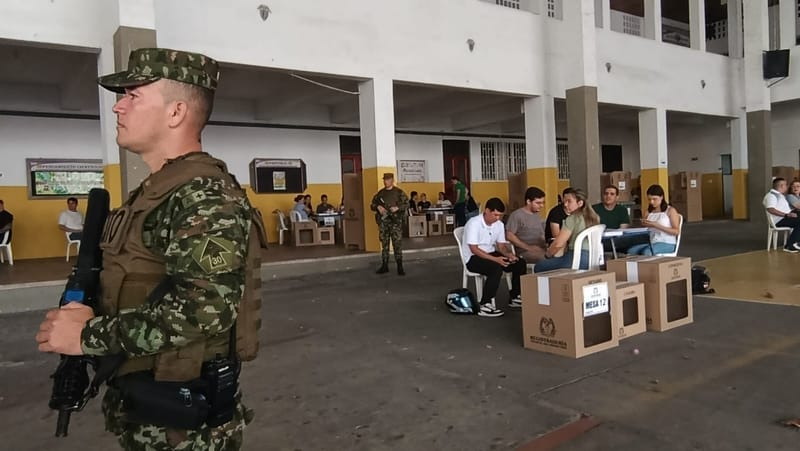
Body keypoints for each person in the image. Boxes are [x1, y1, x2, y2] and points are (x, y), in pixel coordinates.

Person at [35, 48, 265, 450]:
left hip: (186, 429)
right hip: (150, 411)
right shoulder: (156, 191)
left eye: (133, 95)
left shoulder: (203, 196)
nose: (118, 108)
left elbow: (205, 311)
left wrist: (88, 336)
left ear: (176, 113)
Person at [461, 197, 527, 317]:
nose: (497, 218)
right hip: (473, 258)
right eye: (495, 214)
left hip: (490, 253)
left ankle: (515, 297)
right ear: (486, 210)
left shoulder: (499, 225)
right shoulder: (474, 223)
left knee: (519, 263)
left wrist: (509, 255)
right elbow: (474, 249)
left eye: (500, 215)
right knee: (495, 268)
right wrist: (496, 260)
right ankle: (485, 304)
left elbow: (501, 247)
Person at [534, 188, 598, 272]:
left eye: (569, 201)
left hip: (575, 259)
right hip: (593, 259)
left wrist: (547, 255)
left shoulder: (572, 219)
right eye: (565, 201)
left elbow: (558, 244)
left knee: (539, 266)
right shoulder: (594, 218)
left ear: (580, 203)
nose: (565, 204)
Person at [370, 173, 409, 275]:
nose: (385, 181)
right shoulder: (380, 193)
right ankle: (384, 265)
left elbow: (407, 204)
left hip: (395, 223)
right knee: (385, 245)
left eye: (387, 179)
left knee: (397, 245)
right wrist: (378, 207)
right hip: (384, 223)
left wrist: (397, 208)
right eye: (384, 180)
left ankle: (400, 267)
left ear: (392, 180)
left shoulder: (399, 192)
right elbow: (372, 204)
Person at [627, 184, 681, 255]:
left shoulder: (670, 210)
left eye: (654, 199)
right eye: (649, 199)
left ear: (661, 197)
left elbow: (676, 231)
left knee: (646, 252)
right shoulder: (648, 211)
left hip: (667, 242)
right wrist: (644, 223)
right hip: (652, 241)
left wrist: (656, 225)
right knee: (631, 251)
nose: (651, 202)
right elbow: (645, 228)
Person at [593, 185, 640, 254]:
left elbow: (623, 229)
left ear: (617, 197)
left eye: (612, 194)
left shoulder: (622, 210)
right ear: (603, 196)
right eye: (606, 194)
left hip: (617, 240)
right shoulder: (594, 209)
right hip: (598, 240)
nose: (608, 196)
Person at [505, 187, 547, 264]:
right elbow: (509, 235)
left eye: (543, 203)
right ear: (528, 201)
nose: (541, 206)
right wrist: (529, 248)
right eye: (538, 203)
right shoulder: (517, 215)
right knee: (548, 259)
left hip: (542, 248)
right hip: (525, 252)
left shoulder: (538, 215)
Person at [763, 177, 800, 253]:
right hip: (779, 220)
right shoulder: (771, 196)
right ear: (781, 186)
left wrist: (792, 212)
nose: (787, 187)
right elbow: (771, 209)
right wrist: (786, 215)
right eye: (786, 185)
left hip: (785, 217)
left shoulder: (780, 195)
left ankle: (792, 244)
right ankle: (791, 245)